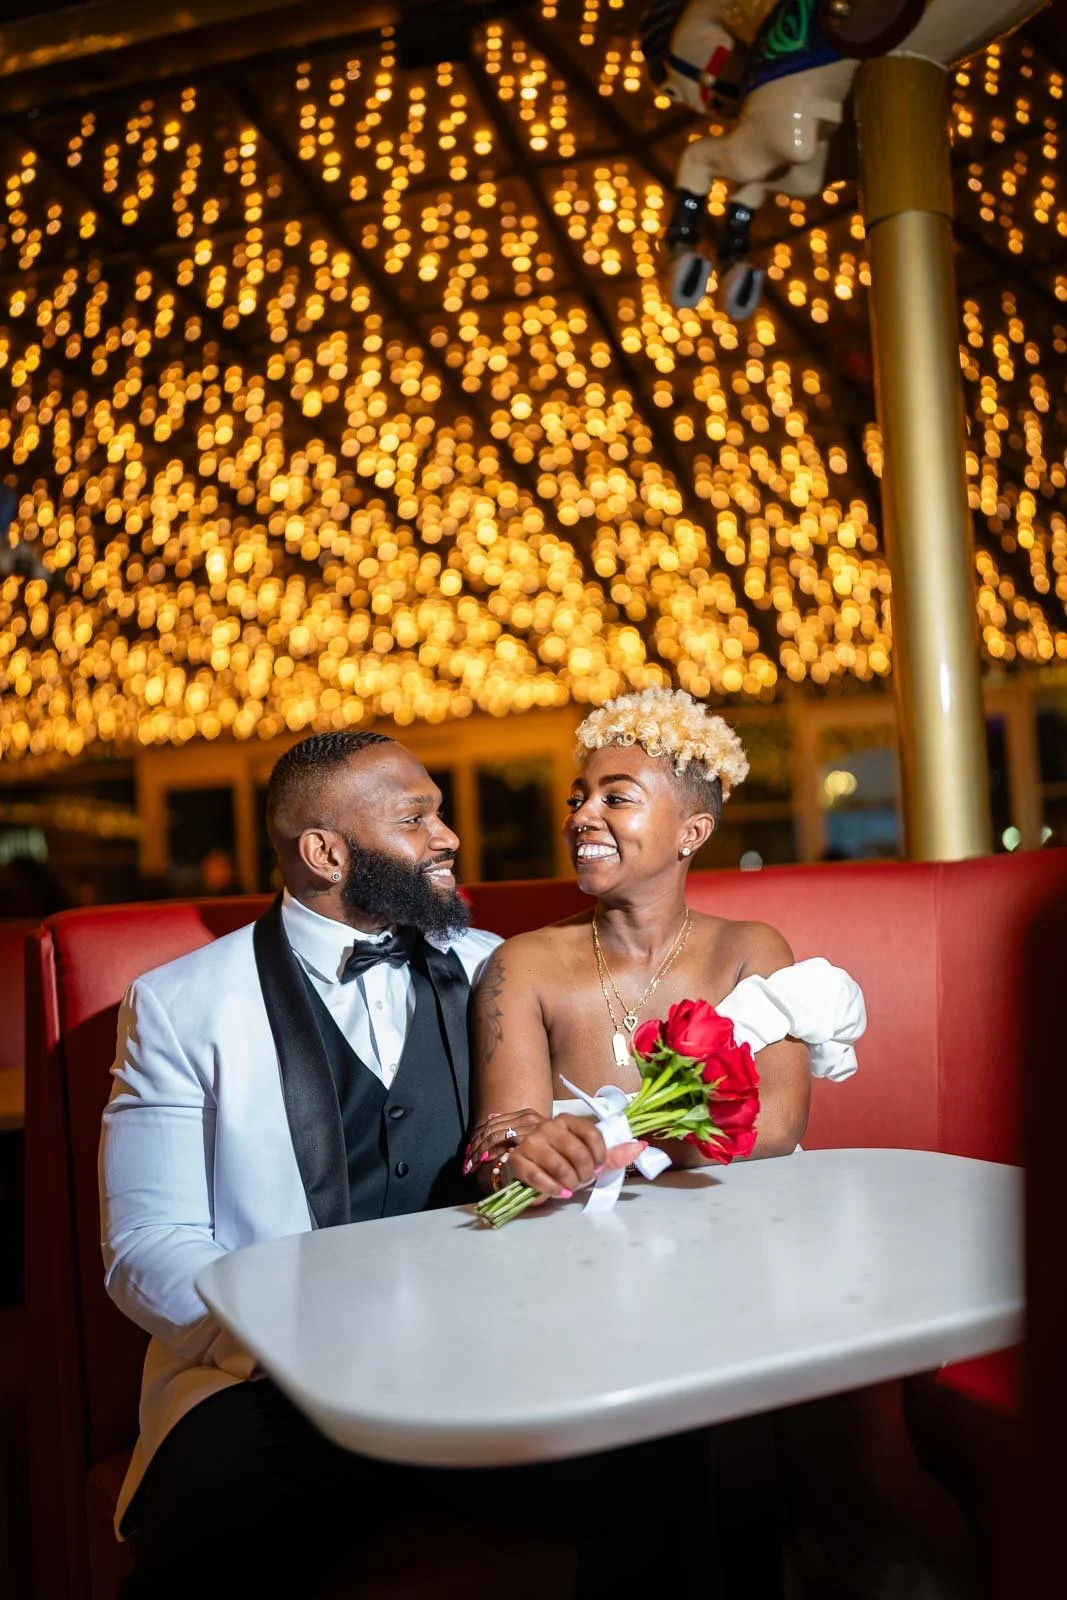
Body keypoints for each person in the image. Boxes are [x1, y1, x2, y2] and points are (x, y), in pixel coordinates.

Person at [468, 688, 974, 1600]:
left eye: (616, 797)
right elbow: (502, 1131)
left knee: (862, 1476)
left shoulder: (750, 948)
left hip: (758, 1261)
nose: (583, 816)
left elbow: (775, 1129)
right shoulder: (522, 965)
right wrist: (528, 1153)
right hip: (594, 1276)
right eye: (579, 797)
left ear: (691, 831)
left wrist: (610, 1130)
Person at [100, 730, 505, 1596]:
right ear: (324, 851)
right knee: (218, 1515)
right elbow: (146, 1246)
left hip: (489, 1363)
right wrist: (293, 1352)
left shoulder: (497, 971)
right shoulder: (179, 1006)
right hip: (269, 1388)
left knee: (665, 1461)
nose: (449, 837)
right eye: (415, 818)